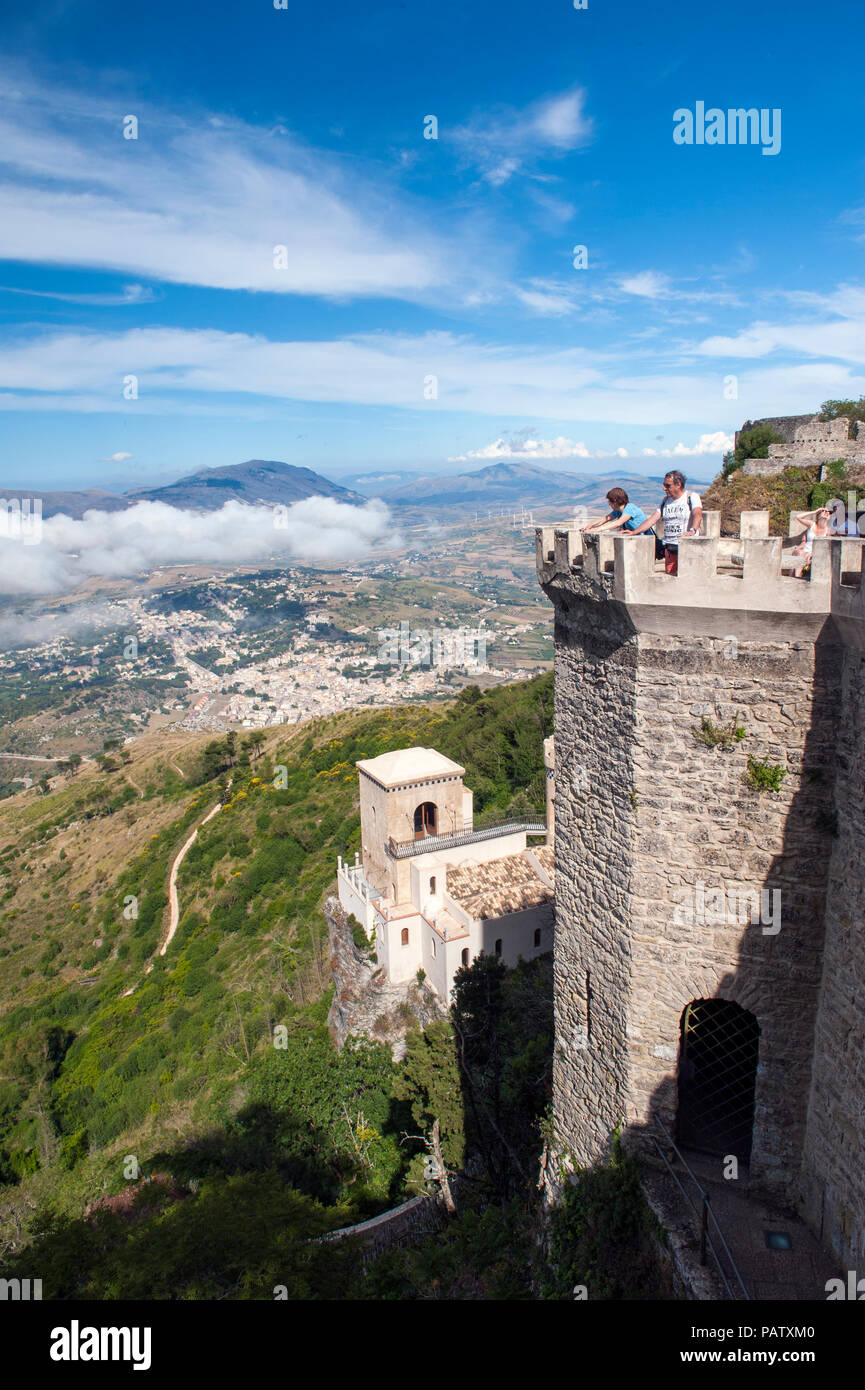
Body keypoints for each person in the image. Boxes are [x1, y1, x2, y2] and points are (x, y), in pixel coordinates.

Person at [631, 470, 703, 575]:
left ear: (678, 485)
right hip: (670, 548)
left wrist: (693, 530)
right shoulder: (665, 501)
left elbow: (697, 514)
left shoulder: (691, 497)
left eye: (667, 485)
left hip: (686, 548)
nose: (664, 488)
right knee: (670, 579)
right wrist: (634, 532)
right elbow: (653, 519)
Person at [581, 488, 651, 535]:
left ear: (614, 501)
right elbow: (605, 519)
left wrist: (598, 530)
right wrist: (590, 526)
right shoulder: (618, 511)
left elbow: (618, 522)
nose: (609, 504)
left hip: (646, 538)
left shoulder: (630, 508)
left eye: (609, 501)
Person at [790, 507, 831, 577]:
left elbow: (827, 546)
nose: (826, 513)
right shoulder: (812, 525)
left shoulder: (828, 530)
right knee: (800, 553)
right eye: (823, 511)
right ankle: (796, 577)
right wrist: (814, 512)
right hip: (804, 550)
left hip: (816, 552)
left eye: (828, 512)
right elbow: (798, 517)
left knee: (805, 557)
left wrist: (812, 554)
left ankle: (796, 578)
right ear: (818, 515)